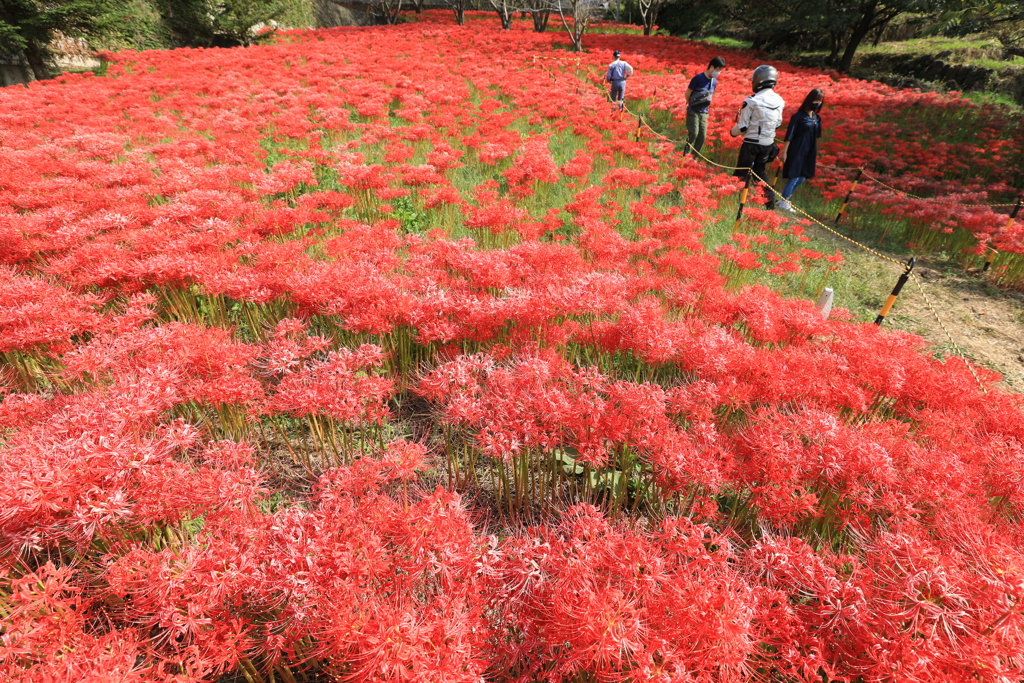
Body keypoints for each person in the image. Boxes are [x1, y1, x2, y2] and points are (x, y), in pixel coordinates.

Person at [730, 65, 785, 208]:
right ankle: (769, 202)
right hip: (768, 145)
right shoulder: (779, 100)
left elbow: (742, 127)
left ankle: (732, 202)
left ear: (759, 80)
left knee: (741, 173)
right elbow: (778, 123)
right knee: (760, 173)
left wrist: (732, 132)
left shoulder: (751, 101)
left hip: (751, 144)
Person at [777, 89, 824, 212]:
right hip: (796, 149)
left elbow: (817, 135)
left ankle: (784, 199)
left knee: (802, 177)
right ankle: (784, 201)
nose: (818, 103)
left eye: (820, 101)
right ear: (810, 100)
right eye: (816, 100)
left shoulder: (817, 118)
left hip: (809, 150)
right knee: (794, 176)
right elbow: (789, 135)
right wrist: (784, 152)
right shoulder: (797, 116)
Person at [683, 56, 726, 157]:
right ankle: (685, 155)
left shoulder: (714, 81)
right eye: (717, 69)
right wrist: (691, 104)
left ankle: (694, 158)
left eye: (720, 70)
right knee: (694, 133)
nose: (718, 72)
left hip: (704, 112)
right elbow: (687, 92)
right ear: (711, 67)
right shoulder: (698, 78)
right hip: (693, 110)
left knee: (702, 136)